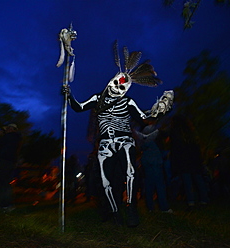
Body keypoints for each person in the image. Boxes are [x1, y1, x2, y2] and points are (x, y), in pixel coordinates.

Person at [62, 42, 173, 227]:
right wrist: (69, 95)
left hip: (125, 142)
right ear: (111, 80)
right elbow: (79, 107)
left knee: (130, 174)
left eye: (121, 87)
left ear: (126, 91)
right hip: (105, 144)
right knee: (106, 182)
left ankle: (131, 209)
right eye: (116, 83)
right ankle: (114, 213)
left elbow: (144, 117)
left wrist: (160, 109)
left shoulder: (128, 102)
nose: (116, 88)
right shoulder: (97, 99)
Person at [169, 114, 209, 210]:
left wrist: (175, 161)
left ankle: (191, 202)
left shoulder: (175, 133)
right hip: (194, 160)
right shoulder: (191, 132)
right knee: (198, 180)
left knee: (187, 182)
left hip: (184, 160)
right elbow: (197, 147)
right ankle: (204, 200)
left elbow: (175, 149)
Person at [135, 120, 172, 213]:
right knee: (159, 184)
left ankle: (150, 207)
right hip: (155, 160)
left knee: (149, 184)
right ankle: (164, 207)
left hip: (146, 160)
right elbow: (165, 133)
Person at [0, 123, 22, 211]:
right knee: (4, 183)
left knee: (1, 183)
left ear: (13, 129)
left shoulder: (10, 137)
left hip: (5, 161)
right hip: (9, 161)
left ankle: (5, 204)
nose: (7, 130)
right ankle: (4, 205)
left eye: (9, 128)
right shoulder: (16, 138)